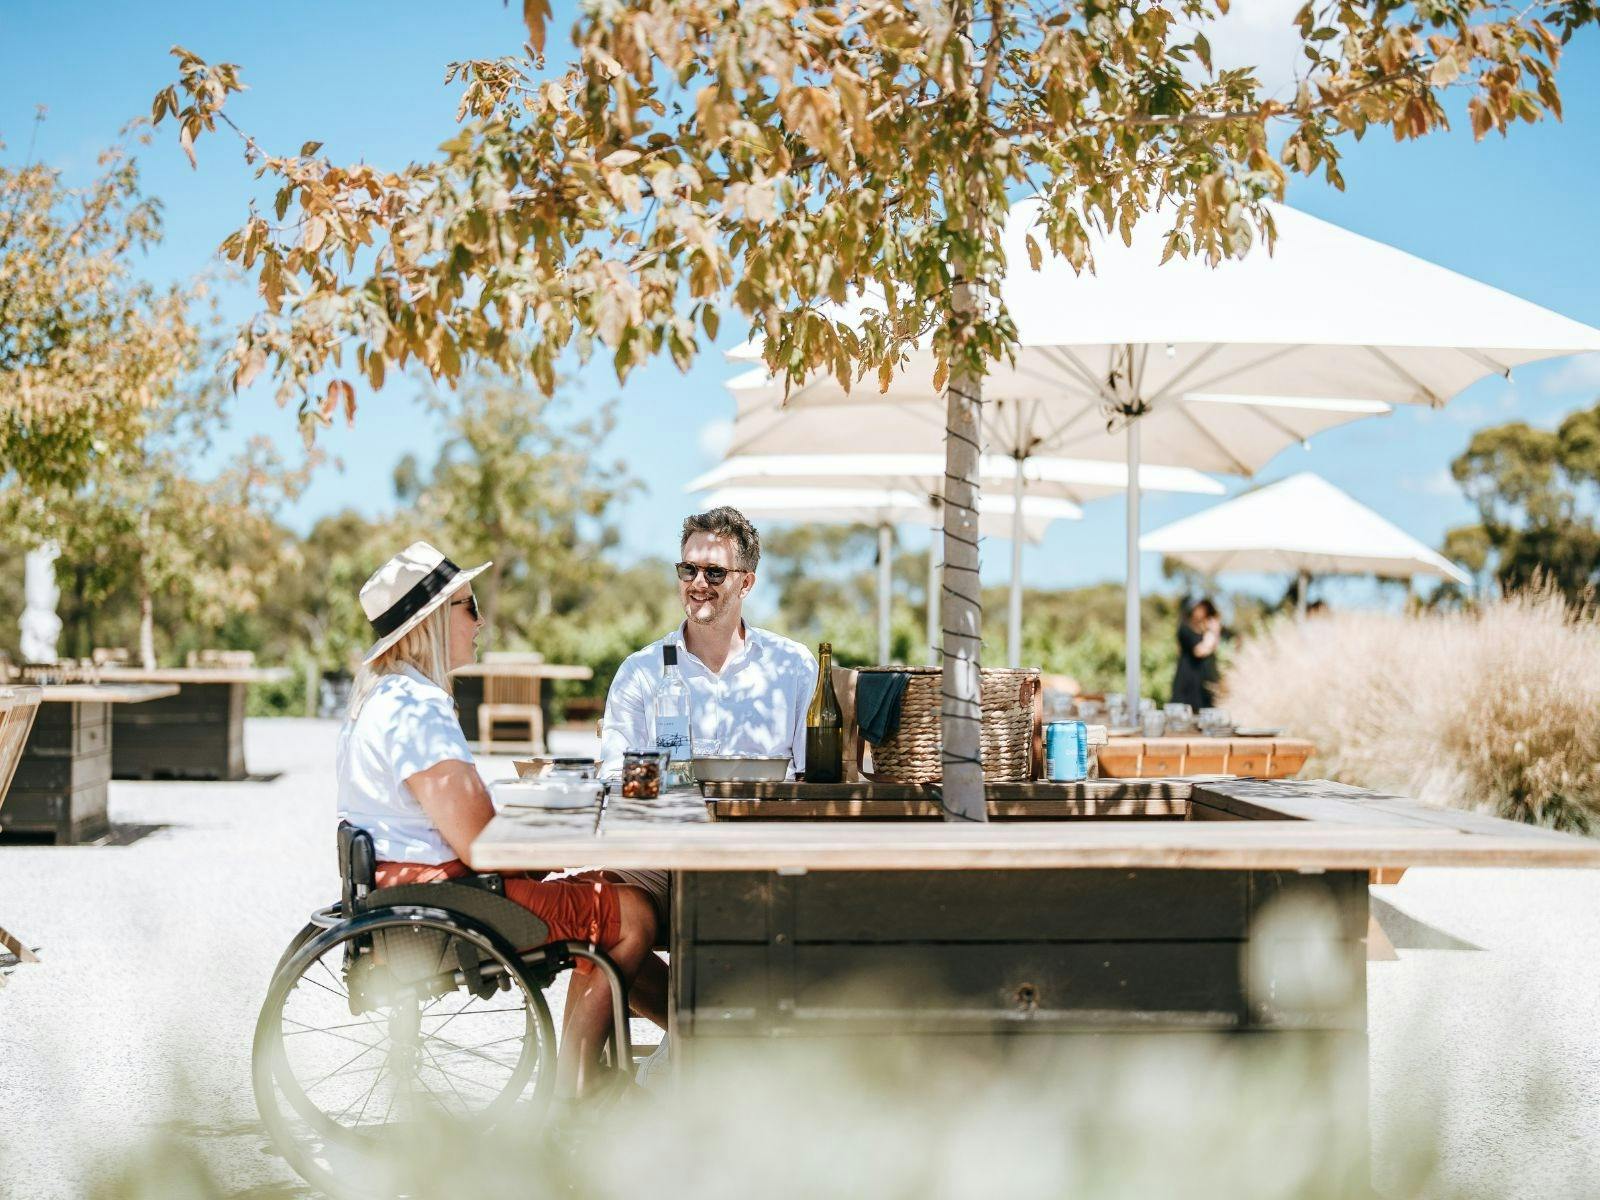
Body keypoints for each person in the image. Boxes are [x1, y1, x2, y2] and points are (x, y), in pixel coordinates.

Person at [336, 541, 659, 1098]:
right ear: (433, 620)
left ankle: (698, 1041)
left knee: (605, 897)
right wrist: (563, 838)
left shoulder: (388, 698)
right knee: (630, 913)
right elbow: (480, 845)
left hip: (413, 888)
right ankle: (573, 1089)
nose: (481, 619)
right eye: (469, 604)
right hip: (444, 899)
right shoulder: (416, 708)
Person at [598, 506, 816, 956]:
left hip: (763, 856)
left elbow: (814, 777)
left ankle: (699, 1025)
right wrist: (670, 786)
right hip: (661, 854)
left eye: (715, 572)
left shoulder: (791, 666)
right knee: (602, 919)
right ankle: (682, 1027)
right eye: (688, 569)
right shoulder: (642, 670)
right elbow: (613, 777)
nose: (698, 583)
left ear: (746, 582)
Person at [1170, 596, 1223, 710]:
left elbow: (1212, 649)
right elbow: (1199, 651)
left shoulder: (1206, 632)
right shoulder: (1185, 629)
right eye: (1198, 608)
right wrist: (1213, 632)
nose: (1201, 612)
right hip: (1189, 683)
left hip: (1204, 684)